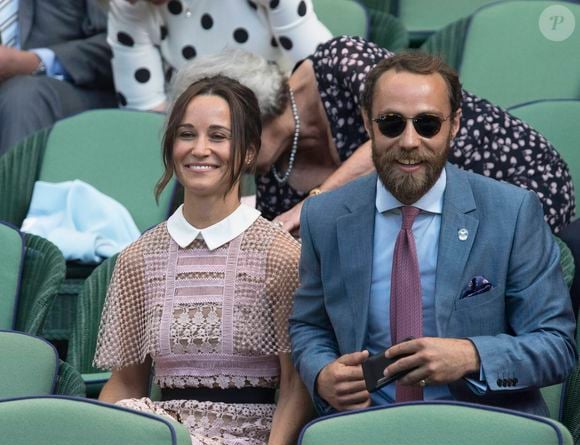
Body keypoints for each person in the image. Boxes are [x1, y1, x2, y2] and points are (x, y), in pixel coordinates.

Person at [288, 50, 577, 417]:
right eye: (391, 123)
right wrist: (322, 374)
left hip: (482, 429)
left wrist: (472, 356)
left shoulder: (513, 212)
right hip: (361, 430)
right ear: (366, 123)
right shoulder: (324, 216)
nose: (409, 141)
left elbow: (556, 347)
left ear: (454, 125)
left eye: (428, 124)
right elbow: (309, 324)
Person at [94, 75, 312, 445]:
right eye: (186, 134)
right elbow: (125, 384)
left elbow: (296, 388)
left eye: (218, 136)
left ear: (246, 152)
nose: (199, 149)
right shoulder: (138, 257)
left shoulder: (279, 254)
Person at [174, 36, 574, 235]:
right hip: (425, 219)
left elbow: (400, 129)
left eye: (224, 135)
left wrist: (312, 203)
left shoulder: (338, 62)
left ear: (255, 117)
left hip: (511, 180)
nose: (218, 152)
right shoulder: (274, 180)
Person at [106, 0, 331, 111]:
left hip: (281, 113)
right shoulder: (128, 5)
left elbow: (323, 72)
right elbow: (143, 111)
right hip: (196, 134)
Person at [0, 0, 116, 156]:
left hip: (62, 93)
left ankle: (13, 179)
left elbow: (117, 42)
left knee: (23, 96)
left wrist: (35, 61)